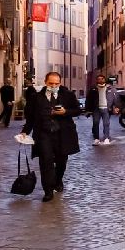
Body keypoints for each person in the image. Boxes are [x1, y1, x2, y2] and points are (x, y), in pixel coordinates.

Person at [22, 71, 81, 202]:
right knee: (45, 161)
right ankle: (48, 191)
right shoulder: (36, 97)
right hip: (44, 134)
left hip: (63, 134)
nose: (54, 86)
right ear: (45, 82)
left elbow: (77, 110)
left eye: (56, 83)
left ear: (60, 83)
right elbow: (30, 117)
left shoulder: (68, 95)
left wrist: (66, 112)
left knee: (61, 161)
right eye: (51, 83)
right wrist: (25, 131)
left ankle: (58, 180)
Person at [85, 76, 118, 145]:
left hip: (106, 108)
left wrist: (116, 107)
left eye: (102, 79)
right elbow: (88, 99)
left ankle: (106, 138)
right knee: (95, 123)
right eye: (98, 79)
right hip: (96, 109)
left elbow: (115, 98)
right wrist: (87, 110)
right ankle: (96, 139)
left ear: (105, 79)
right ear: (96, 80)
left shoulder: (110, 88)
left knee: (106, 124)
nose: (100, 80)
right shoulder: (93, 89)